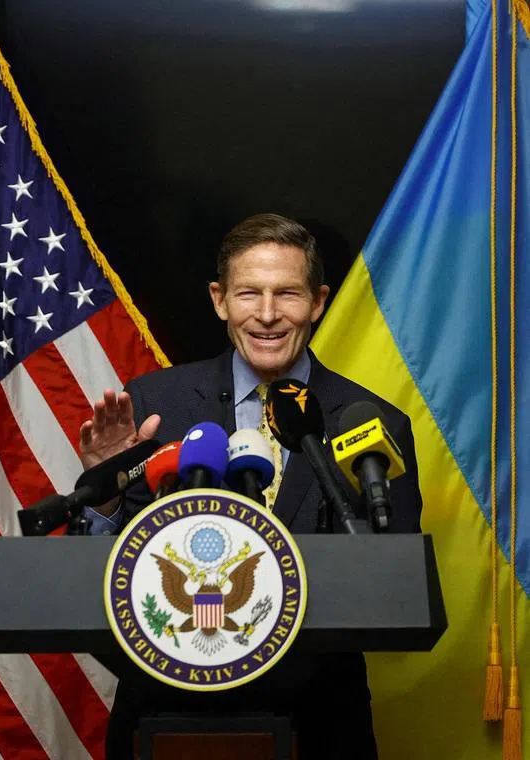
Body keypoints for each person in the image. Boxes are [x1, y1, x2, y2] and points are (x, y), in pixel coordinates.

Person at [78, 213, 422, 759]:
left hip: (319, 726)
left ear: (318, 302)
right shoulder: (153, 406)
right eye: (248, 294)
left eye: (287, 293)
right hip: (167, 719)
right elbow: (99, 578)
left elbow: (399, 586)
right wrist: (107, 490)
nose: (266, 314)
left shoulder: (373, 424)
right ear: (220, 300)